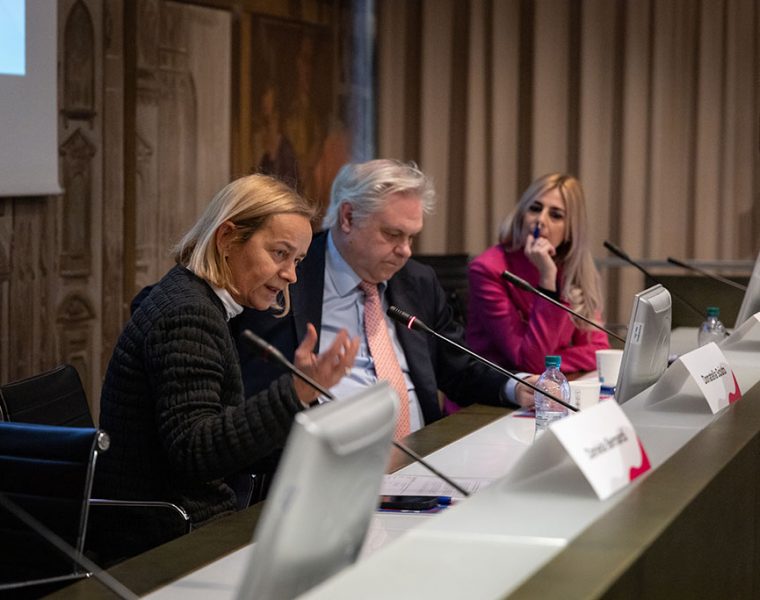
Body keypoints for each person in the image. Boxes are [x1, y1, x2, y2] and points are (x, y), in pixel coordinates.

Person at [94, 174, 358, 560]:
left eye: (298, 260)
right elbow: (196, 452)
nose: (291, 275)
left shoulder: (202, 301)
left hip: (187, 520)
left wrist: (321, 441)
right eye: (280, 254)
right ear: (228, 238)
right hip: (166, 540)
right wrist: (295, 393)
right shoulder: (188, 315)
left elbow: (224, 436)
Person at [232, 159, 533, 440]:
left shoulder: (418, 282)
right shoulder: (286, 276)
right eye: (392, 234)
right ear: (348, 217)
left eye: (411, 237)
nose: (405, 250)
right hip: (324, 459)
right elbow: (250, 386)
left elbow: (459, 369)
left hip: (419, 456)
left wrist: (516, 386)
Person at [466, 173, 610, 375]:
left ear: (571, 230)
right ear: (522, 214)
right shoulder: (488, 268)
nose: (541, 220)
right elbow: (529, 363)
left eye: (556, 215)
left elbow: (599, 349)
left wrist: (551, 361)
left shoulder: (571, 268)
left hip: (549, 385)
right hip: (497, 388)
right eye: (535, 209)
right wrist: (547, 278)